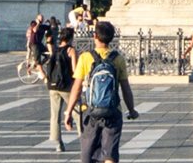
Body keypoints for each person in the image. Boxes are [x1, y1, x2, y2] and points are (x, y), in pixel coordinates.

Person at [64, 21, 138, 163]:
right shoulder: (118, 59)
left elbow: (77, 87)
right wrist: (131, 109)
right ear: (111, 38)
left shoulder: (86, 57)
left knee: (88, 152)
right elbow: (125, 88)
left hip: (90, 112)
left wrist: (69, 111)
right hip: (113, 110)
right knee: (110, 153)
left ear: (95, 36)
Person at [48, 28, 80, 152]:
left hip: (53, 86)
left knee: (55, 115)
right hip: (66, 86)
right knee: (77, 111)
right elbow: (75, 70)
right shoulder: (71, 50)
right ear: (71, 38)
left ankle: (58, 143)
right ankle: (83, 136)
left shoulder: (55, 50)